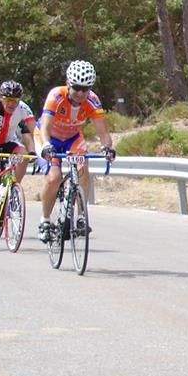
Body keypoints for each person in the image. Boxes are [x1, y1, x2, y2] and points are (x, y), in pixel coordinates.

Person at [34, 60, 116, 243]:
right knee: (54, 177)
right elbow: (46, 126)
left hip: (72, 138)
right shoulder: (56, 95)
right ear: (68, 83)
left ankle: (80, 216)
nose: (81, 93)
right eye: (77, 88)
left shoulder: (93, 100)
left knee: (83, 169)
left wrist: (108, 148)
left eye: (85, 89)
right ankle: (45, 220)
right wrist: (47, 145)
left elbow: (103, 132)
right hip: (48, 137)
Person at [0, 80, 38, 237]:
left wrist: (34, 153)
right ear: (1, 98)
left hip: (8, 143)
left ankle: (12, 190)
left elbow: (32, 133)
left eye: (14, 101)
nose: (11, 104)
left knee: (23, 155)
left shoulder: (23, 109)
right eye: (8, 100)